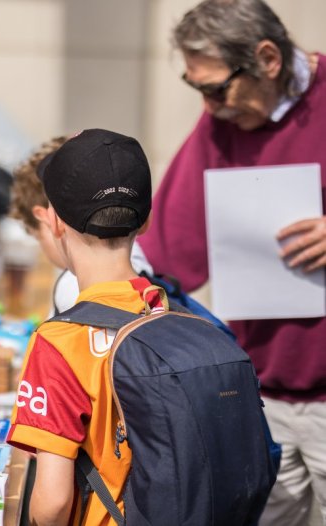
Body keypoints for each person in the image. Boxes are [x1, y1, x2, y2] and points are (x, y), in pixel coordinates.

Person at [138, 1, 326, 523]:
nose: (209, 105)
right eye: (195, 87)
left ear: (268, 59)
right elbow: (163, 254)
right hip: (261, 396)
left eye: (217, 88)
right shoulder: (220, 123)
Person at [7, 128, 162, 525]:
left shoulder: (58, 341)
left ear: (54, 220)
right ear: (144, 222)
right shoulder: (168, 311)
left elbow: (54, 500)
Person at [9, 135, 154, 316]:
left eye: (37, 236)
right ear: (147, 220)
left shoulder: (71, 288)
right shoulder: (155, 295)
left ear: (52, 220)